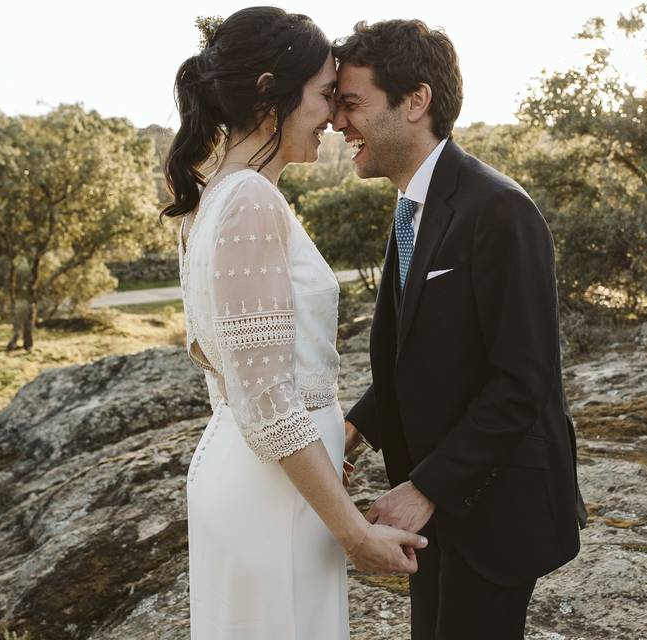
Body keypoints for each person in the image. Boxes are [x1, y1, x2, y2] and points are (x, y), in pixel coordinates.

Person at [161, 8, 427, 639]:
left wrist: (325, 448)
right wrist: (354, 532)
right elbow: (267, 402)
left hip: (267, 476)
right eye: (324, 94)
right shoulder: (249, 201)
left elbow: (227, 379)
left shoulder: (215, 198)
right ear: (268, 91)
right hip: (270, 495)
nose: (335, 118)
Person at [333, 19, 590, 640]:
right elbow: (420, 359)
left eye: (352, 103)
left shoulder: (498, 209)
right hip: (444, 514)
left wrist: (424, 489)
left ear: (415, 101)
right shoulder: (411, 205)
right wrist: (349, 434)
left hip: (497, 509)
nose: (339, 123)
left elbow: (523, 382)